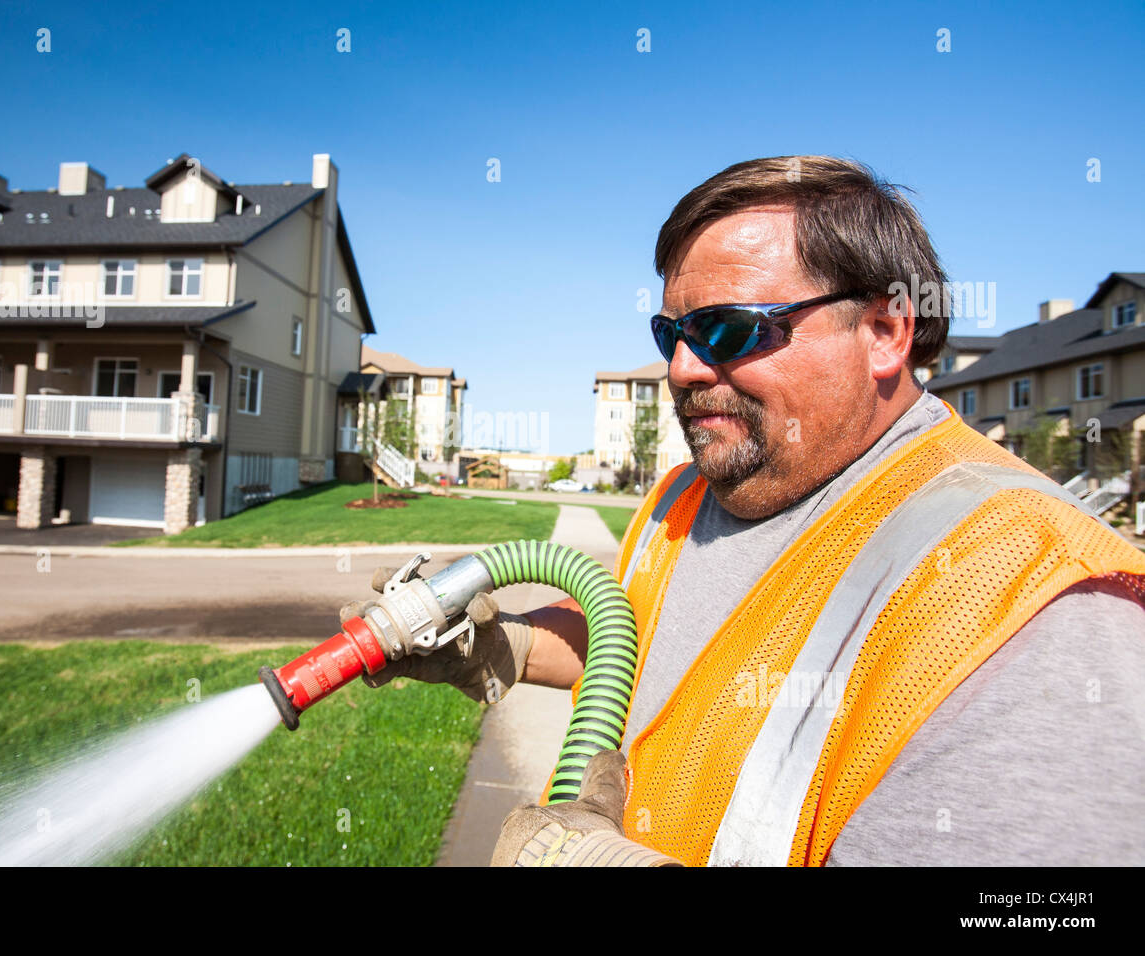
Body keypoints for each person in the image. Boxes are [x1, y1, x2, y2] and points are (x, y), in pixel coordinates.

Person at [344, 156, 1145, 867]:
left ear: (884, 330)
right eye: (673, 334)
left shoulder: (1029, 596)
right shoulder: (692, 493)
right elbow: (650, 648)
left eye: (728, 329)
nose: (686, 369)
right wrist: (505, 644)